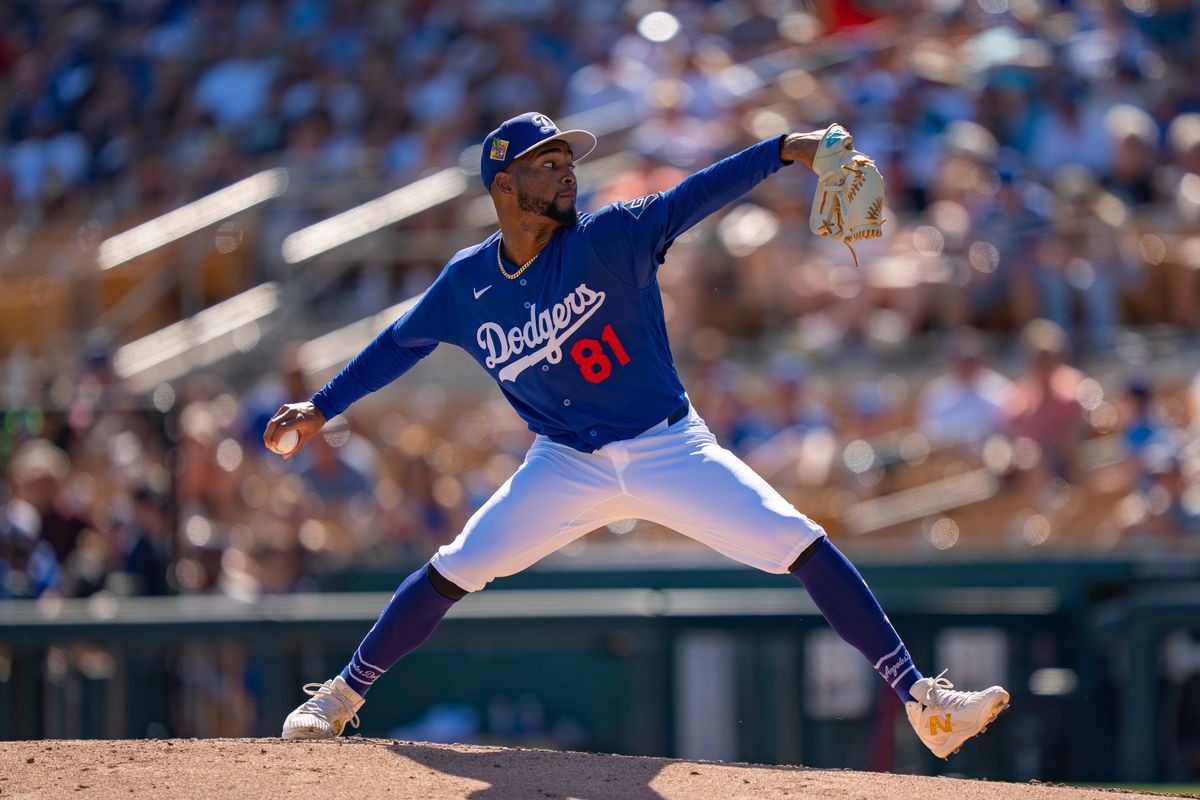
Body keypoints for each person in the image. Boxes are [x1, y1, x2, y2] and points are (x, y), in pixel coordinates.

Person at [266, 112, 1009, 760]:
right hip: (564, 462)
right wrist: (321, 407)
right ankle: (340, 695)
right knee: (455, 566)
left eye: (568, 162)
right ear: (503, 185)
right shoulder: (465, 286)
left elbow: (696, 196)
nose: (566, 175)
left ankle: (923, 701)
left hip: (667, 447)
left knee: (802, 540)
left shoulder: (612, 236)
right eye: (547, 164)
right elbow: (400, 342)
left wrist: (788, 147)